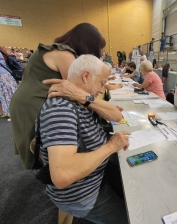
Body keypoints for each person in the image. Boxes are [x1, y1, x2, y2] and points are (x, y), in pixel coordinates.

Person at [38, 55, 130, 223]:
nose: (103, 90)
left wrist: (84, 97)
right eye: (101, 83)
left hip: (98, 176)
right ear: (86, 76)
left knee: (135, 187)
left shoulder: (83, 100)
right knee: (136, 217)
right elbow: (62, 175)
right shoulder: (61, 109)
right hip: (83, 195)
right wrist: (111, 146)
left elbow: (116, 116)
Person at [10, 23, 107, 169]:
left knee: (44, 144)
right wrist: (97, 101)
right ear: (88, 44)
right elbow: (77, 88)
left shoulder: (56, 49)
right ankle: (53, 173)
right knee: (41, 145)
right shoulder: (64, 53)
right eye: (97, 48)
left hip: (29, 99)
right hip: (33, 102)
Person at [0, 46, 18, 120]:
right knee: (4, 94)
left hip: (3, 75)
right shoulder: (2, 51)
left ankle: (12, 112)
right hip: (5, 74)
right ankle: (6, 111)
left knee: (7, 94)